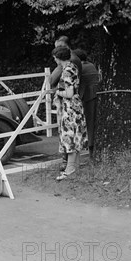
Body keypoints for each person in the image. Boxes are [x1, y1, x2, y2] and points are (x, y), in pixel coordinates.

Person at [52, 46, 87, 181]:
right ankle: (75, 166)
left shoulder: (66, 71)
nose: (54, 60)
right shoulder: (73, 67)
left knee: (69, 136)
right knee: (76, 135)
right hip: (77, 105)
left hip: (69, 107)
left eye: (55, 57)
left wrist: (57, 92)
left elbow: (69, 93)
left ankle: (70, 169)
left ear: (58, 57)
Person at [73, 49, 100, 158]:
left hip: (87, 97)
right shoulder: (91, 65)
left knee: (88, 124)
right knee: (92, 123)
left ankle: (90, 151)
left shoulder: (81, 68)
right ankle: (91, 150)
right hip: (94, 95)